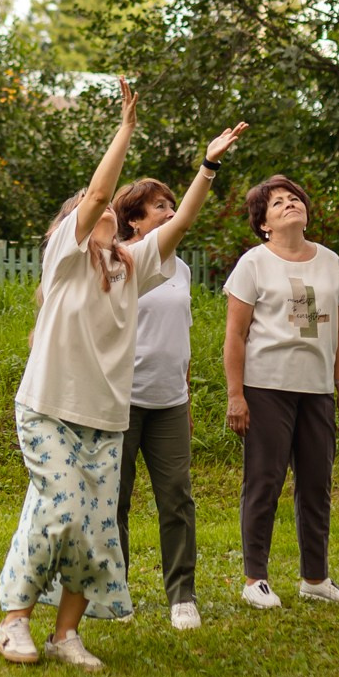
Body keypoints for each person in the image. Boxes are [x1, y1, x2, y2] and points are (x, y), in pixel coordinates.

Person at [0, 81, 243, 670]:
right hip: (49, 407)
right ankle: (14, 621)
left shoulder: (130, 268)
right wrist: (126, 128)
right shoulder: (64, 260)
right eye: (92, 204)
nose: (103, 206)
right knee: (58, 510)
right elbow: (104, 187)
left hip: (106, 417)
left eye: (106, 206)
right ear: (73, 223)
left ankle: (67, 634)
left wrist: (207, 166)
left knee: (95, 530)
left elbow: (180, 222)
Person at [224, 174, 339, 610]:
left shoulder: (330, 261)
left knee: (317, 483)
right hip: (266, 388)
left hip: (316, 388)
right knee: (264, 482)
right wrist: (235, 394)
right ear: (263, 223)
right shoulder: (253, 263)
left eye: (294, 198)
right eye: (277, 202)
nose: (289, 204)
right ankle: (255, 579)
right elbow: (235, 335)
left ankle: (315, 578)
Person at [115, 179, 201, 631]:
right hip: (121, 401)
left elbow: (181, 337)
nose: (170, 212)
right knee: (116, 500)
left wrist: (185, 398)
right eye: (159, 206)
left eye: (172, 205)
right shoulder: (118, 262)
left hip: (170, 401)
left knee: (177, 499)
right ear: (133, 219)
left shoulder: (181, 268)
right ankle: (116, 591)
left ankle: (182, 596)